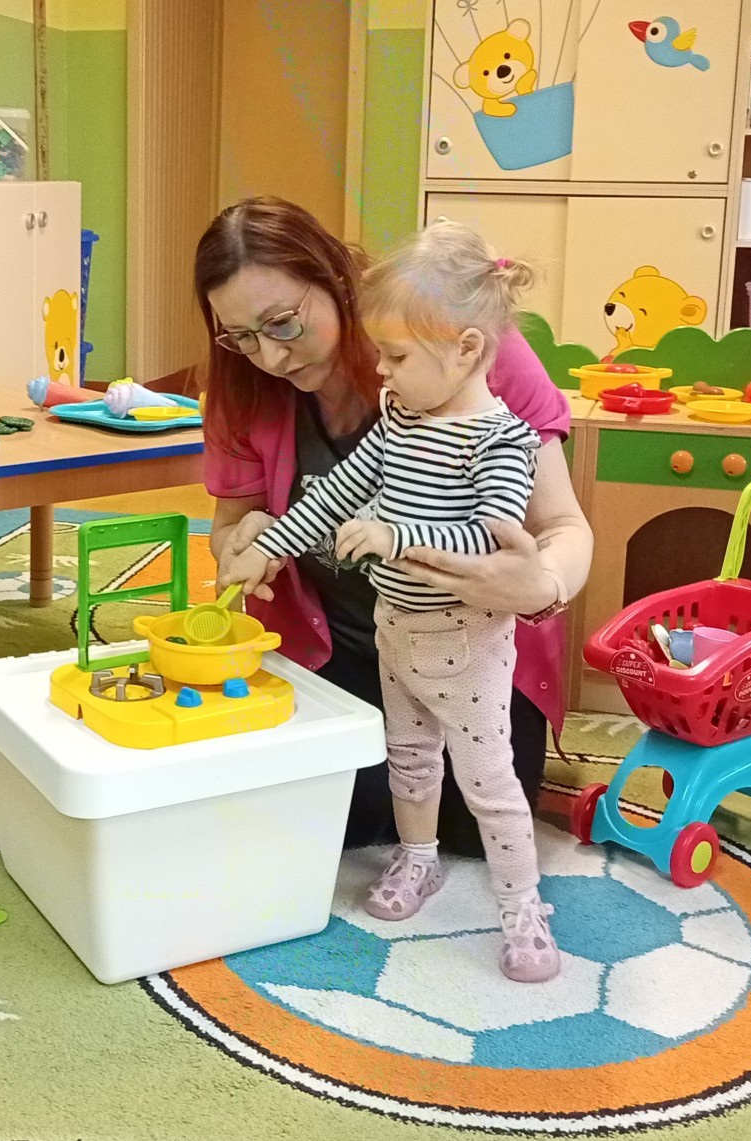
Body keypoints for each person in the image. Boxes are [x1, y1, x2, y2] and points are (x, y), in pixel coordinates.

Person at [197, 197, 593, 858]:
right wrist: (250, 536)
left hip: (474, 647)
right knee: (348, 818)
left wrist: (542, 582)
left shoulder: (463, 343)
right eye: (241, 337)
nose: (269, 356)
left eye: (284, 324)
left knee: (478, 824)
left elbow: (563, 524)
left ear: (334, 278)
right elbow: (233, 525)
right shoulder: (245, 387)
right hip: (347, 645)